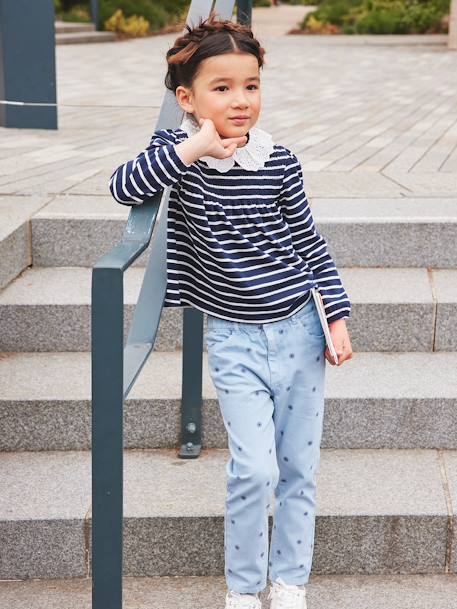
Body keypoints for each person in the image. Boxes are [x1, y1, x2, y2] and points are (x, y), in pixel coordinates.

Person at [109, 11, 353, 609]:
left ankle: (289, 581)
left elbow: (309, 242)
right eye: (222, 88)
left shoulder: (279, 159)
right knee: (255, 471)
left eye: (251, 86)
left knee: (298, 470)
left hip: (299, 329)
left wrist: (336, 317)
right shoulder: (178, 154)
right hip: (233, 339)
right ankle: (243, 589)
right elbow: (122, 187)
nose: (240, 101)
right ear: (188, 99)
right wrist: (190, 148)